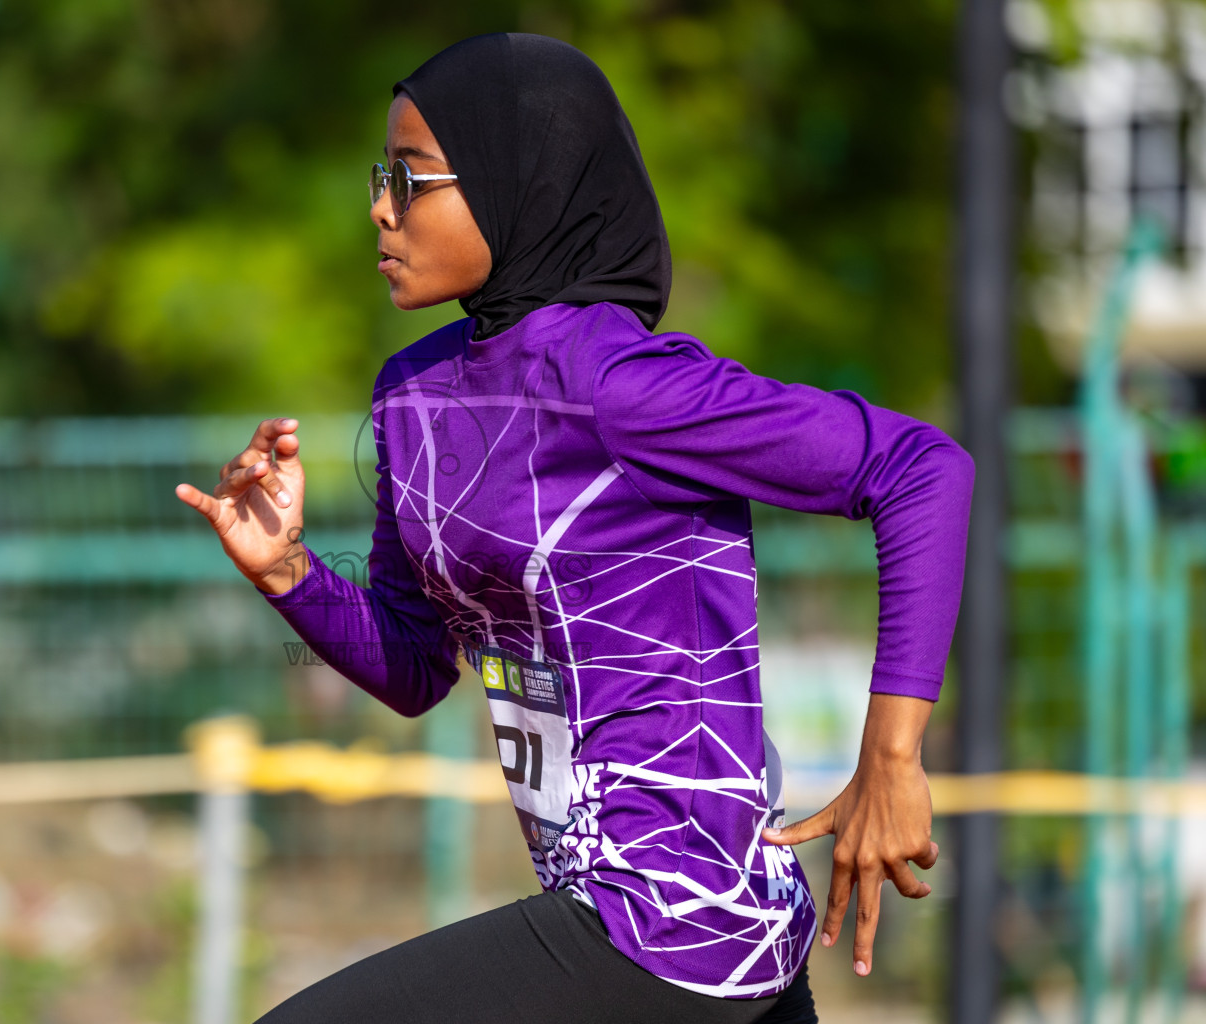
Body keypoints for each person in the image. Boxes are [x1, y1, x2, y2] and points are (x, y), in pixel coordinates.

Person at [175, 32, 974, 1024]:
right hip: (679, 941)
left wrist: (890, 757)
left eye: (413, 178)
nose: (381, 207)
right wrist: (289, 571)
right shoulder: (410, 397)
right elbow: (419, 666)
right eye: (380, 175)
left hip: (671, 924)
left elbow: (921, 468)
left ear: (522, 182)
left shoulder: (626, 387)